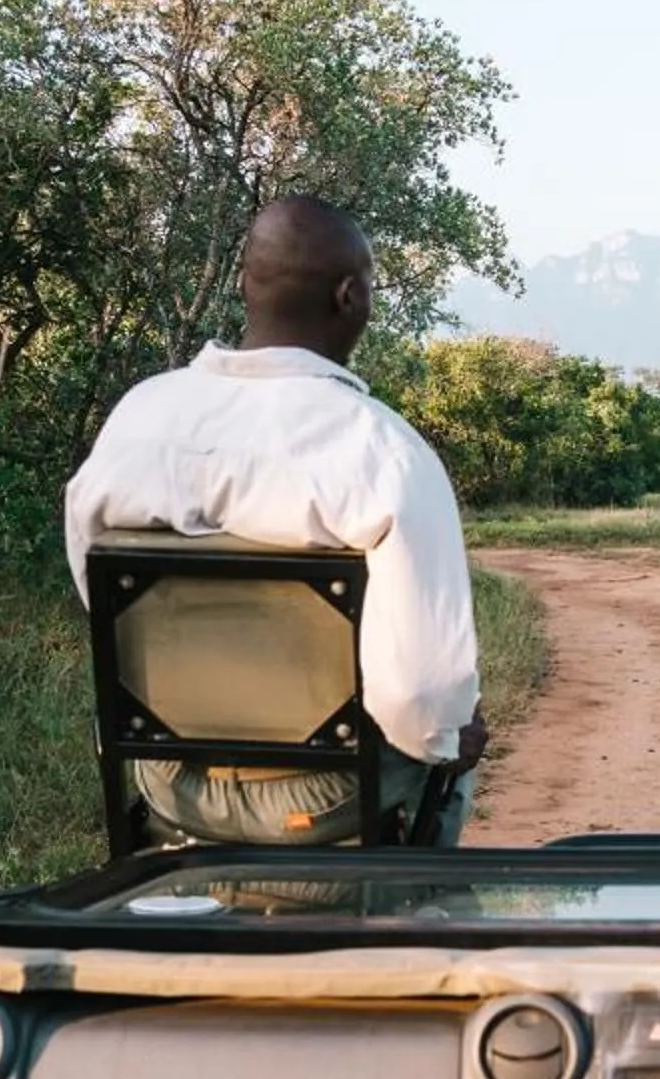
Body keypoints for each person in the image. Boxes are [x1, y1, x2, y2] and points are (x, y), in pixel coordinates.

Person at [64, 194, 487, 846]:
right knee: (450, 732)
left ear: (244, 285)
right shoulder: (384, 452)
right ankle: (425, 917)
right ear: (351, 297)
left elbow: (104, 602)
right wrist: (449, 735)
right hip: (328, 799)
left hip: (168, 780)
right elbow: (418, 696)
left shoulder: (137, 421)